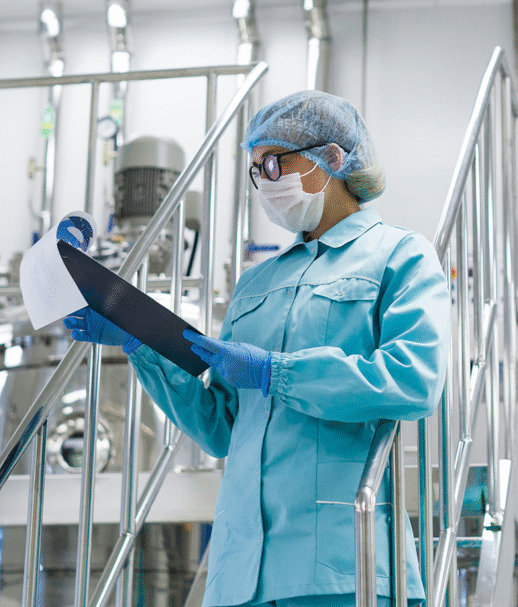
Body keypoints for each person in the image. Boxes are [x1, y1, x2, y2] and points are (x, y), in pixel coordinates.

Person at [64, 90, 450, 607]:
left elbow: (414, 379)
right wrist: (142, 345)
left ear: (332, 158)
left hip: (339, 569)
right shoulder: (254, 284)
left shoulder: (399, 255)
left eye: (273, 163)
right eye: (255, 171)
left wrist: (278, 373)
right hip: (239, 576)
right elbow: (221, 428)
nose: (265, 183)